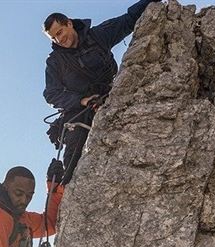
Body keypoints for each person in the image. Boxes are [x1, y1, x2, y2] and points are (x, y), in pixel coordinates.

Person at [43, 0, 160, 184]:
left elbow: (128, 20)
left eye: (60, 32)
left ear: (69, 23)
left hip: (112, 95)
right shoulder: (55, 62)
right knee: (75, 146)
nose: (59, 40)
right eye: (54, 38)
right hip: (79, 111)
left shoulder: (97, 36)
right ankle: (68, 189)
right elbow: (51, 93)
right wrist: (82, 101)